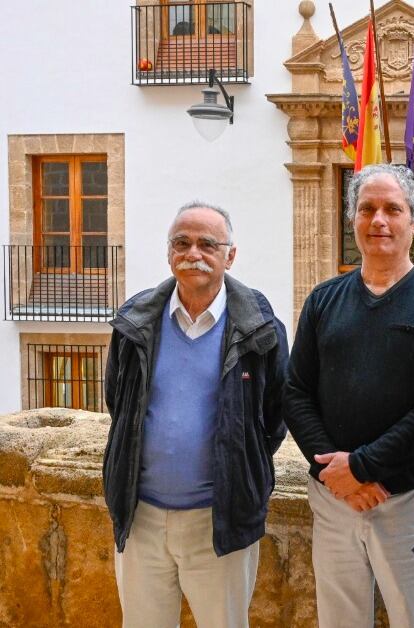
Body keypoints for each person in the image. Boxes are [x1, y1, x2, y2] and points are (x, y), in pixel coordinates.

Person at [283, 164, 414, 628]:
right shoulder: (324, 299)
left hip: (406, 498)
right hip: (333, 498)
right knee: (339, 620)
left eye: (392, 209)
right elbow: (296, 391)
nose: (378, 220)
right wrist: (336, 475)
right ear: (353, 220)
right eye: (367, 209)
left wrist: (362, 467)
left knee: (413, 620)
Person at [103, 202, 289, 627]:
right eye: (182, 243)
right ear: (169, 253)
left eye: (208, 244)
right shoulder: (136, 322)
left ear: (230, 255)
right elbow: (120, 402)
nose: (193, 253)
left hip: (219, 521)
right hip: (141, 516)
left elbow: (273, 418)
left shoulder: (259, 328)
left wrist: (239, 471)